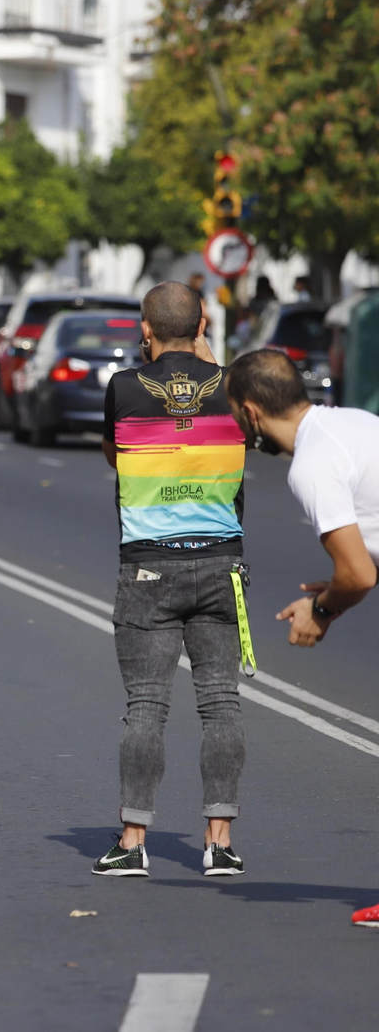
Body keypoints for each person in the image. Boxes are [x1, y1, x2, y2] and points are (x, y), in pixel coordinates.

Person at [92, 281, 248, 880]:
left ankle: (132, 843)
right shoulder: (234, 389)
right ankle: (221, 843)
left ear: (145, 328)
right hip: (221, 565)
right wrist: (206, 355)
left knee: (146, 707)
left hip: (148, 568)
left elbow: (116, 455)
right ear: (202, 323)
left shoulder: (124, 387)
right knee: (221, 704)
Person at [223, 352, 379, 924]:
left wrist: (323, 609)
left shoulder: (310, 465)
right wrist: (338, 587)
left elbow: (358, 574)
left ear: (251, 413)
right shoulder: (352, 422)